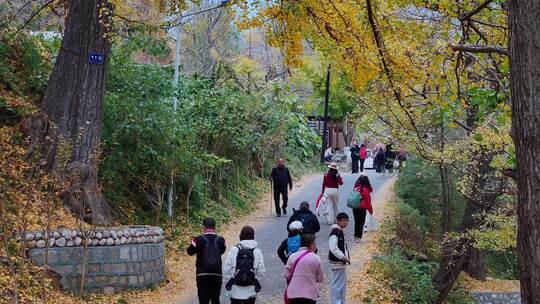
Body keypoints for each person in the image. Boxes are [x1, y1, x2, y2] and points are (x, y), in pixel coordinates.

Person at [187, 218, 227, 304]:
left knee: (203, 301)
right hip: (217, 274)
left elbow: (189, 252)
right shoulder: (221, 240)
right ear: (215, 227)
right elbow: (222, 251)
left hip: (202, 274)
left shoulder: (198, 240)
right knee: (215, 300)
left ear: (204, 227)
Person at [223, 226, 265, 304]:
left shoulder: (234, 250)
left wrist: (229, 282)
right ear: (253, 236)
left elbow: (226, 269)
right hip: (251, 290)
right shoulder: (257, 251)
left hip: (235, 290)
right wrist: (255, 282)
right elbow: (261, 272)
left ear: (241, 236)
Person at [284, 234, 324, 304]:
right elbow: (320, 278)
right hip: (310, 294)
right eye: (315, 243)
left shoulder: (292, 257)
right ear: (311, 244)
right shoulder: (316, 258)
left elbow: (287, 275)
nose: (316, 246)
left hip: (294, 293)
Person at [329, 213, 350, 304]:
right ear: (341, 220)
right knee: (337, 285)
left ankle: (340, 301)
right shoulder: (335, 232)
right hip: (337, 263)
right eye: (346, 221)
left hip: (340, 263)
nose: (347, 223)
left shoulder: (339, 231)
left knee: (341, 285)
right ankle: (336, 302)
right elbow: (333, 247)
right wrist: (343, 257)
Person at [352, 174, 373, 242]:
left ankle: (355, 236)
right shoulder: (366, 190)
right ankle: (358, 237)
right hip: (362, 209)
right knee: (361, 223)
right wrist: (370, 210)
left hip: (355, 207)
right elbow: (368, 202)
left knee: (356, 222)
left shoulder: (356, 188)